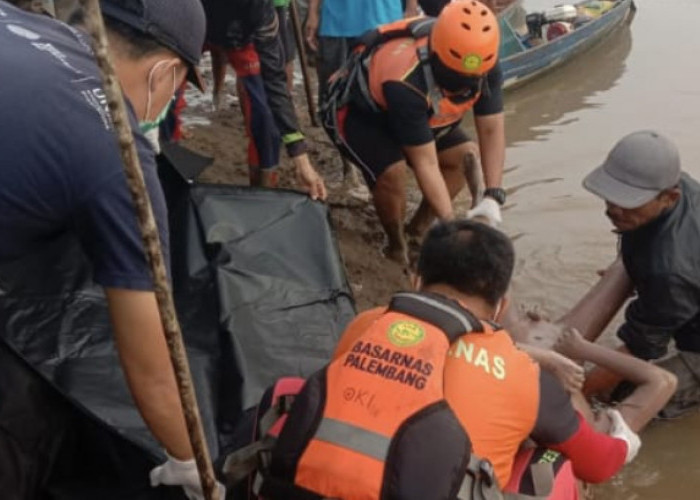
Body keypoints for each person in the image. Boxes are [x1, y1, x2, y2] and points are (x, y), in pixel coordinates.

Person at [0, 1, 223, 498]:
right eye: (179, 85)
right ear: (165, 70)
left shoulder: (27, 24)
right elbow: (153, 367)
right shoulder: (116, 152)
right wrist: (190, 462)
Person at [256, 220, 640, 499]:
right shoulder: (523, 375)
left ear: (415, 279)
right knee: (554, 463)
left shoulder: (367, 324)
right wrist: (623, 438)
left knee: (291, 390)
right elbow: (599, 465)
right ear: (502, 304)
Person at [322, 0, 507, 264]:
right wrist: (453, 228)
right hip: (356, 112)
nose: (463, 87)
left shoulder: (485, 63)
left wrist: (493, 195)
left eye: (470, 81)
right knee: (392, 173)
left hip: (412, 113)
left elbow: (491, 130)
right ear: (437, 54)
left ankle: (418, 231)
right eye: (455, 80)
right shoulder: (407, 78)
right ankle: (396, 247)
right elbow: (426, 163)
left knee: (464, 156)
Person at [576, 130, 700, 401]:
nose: (615, 210)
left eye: (630, 202)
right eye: (611, 197)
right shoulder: (677, 186)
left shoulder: (670, 270)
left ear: (669, 197)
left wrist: (571, 392)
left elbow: (638, 348)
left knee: (624, 399)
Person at [201, 0, 327, 199]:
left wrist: (300, 158)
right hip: (191, 20)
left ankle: (262, 195)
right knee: (164, 91)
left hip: (241, 35)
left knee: (266, 118)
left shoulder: (261, 8)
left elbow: (274, 79)